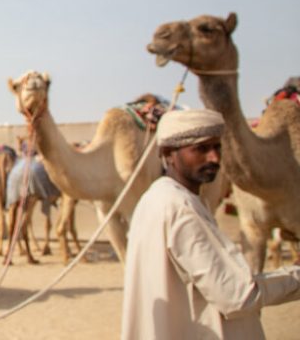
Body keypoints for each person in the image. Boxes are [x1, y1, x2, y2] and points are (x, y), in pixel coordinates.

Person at [121, 109, 300, 339]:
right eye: (201, 149)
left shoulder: (157, 198)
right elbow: (238, 296)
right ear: (168, 153)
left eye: (217, 147)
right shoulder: (180, 207)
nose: (214, 158)